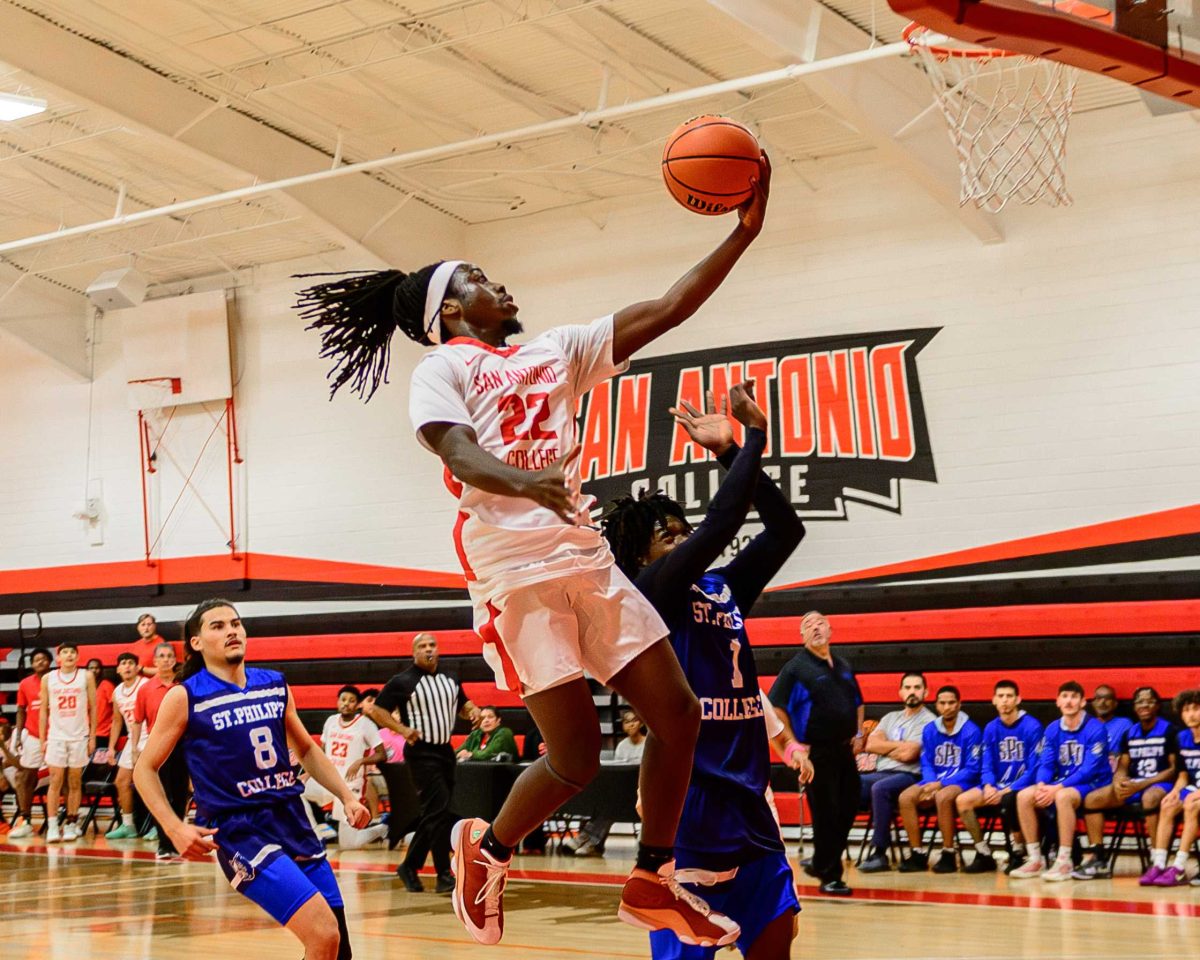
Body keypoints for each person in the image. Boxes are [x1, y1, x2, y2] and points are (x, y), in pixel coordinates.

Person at [301, 152, 769, 947]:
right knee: (575, 757)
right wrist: (525, 481)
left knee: (679, 716)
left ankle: (653, 879)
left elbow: (668, 306)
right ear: (451, 310)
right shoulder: (444, 366)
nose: (500, 283)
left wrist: (741, 234)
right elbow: (456, 453)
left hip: (585, 559)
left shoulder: (556, 351)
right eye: (480, 276)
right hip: (514, 574)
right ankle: (487, 851)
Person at [601, 382, 804, 956]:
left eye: (682, 530)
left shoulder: (720, 588)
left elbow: (786, 530)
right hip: (690, 817)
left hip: (751, 810)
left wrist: (727, 452)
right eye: (669, 536)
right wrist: (752, 438)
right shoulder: (650, 592)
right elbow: (722, 524)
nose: (686, 541)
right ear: (641, 556)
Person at [134, 599, 368, 960]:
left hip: (292, 819)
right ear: (196, 642)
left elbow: (306, 748)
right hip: (241, 830)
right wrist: (174, 827)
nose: (231, 630)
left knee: (338, 949)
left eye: (236, 623)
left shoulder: (273, 685)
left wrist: (347, 797)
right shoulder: (186, 696)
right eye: (218, 626)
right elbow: (143, 768)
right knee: (323, 933)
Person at [364, 633, 479, 895]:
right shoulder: (403, 681)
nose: (428, 649)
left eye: (432, 645)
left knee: (437, 813)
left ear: (438, 650)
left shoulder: (450, 678)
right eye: (422, 646)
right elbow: (377, 710)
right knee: (437, 810)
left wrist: (473, 711)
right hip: (421, 753)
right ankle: (443, 874)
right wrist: (402, 730)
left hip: (446, 751)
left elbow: (463, 705)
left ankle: (410, 866)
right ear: (413, 652)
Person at [769, 611, 863, 895]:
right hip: (816, 753)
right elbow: (776, 708)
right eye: (807, 625)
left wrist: (858, 732)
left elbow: (857, 702)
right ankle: (830, 876)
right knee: (826, 812)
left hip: (844, 750)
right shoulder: (796, 668)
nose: (815, 627)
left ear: (830, 629)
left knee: (849, 806)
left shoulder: (844, 665)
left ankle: (821, 861)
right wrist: (794, 746)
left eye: (819, 622)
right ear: (802, 637)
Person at [1074, 686, 1177, 880]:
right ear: (1135, 707)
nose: (1144, 705)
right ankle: (1099, 858)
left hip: (1161, 784)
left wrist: (1142, 784)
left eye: (1149, 701)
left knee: (1150, 797)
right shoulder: (1130, 733)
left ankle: (1157, 860)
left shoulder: (1169, 730)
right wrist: (1119, 780)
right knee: (1092, 799)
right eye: (1139, 701)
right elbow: (1123, 765)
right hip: (1135, 785)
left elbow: (1173, 770)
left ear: (1157, 706)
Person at [1009, 681, 1109, 881]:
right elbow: (1045, 763)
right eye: (1064, 696)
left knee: (1063, 797)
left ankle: (1064, 860)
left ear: (1082, 702)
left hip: (1095, 781)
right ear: (1057, 701)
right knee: (1024, 796)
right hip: (1062, 782)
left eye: (1073, 697)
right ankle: (1035, 859)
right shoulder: (1053, 729)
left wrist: (1057, 788)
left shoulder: (1095, 728)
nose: (1069, 701)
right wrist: (1042, 785)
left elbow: (1089, 769)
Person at [955, 679, 1044, 873]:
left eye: (1009, 696)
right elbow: (986, 763)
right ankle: (984, 852)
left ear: (1018, 699)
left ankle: (1019, 851)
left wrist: (1007, 789)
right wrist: (988, 785)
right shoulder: (990, 728)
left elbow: (1034, 768)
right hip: (997, 785)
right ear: (994, 700)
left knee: (1008, 800)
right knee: (963, 801)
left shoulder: (1032, 726)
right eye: (1001, 696)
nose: (1005, 701)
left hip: (1020, 786)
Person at [896, 685, 982, 873]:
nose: (947, 707)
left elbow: (973, 768)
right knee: (905, 797)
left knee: (942, 797)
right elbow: (926, 762)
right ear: (936, 705)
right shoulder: (930, 729)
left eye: (951, 702)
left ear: (959, 705)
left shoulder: (971, 730)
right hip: (934, 779)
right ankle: (917, 853)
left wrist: (940, 784)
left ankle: (948, 853)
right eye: (942, 703)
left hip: (963, 782)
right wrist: (930, 783)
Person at [858, 672, 936, 873]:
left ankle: (880, 853)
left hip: (912, 776)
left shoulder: (929, 721)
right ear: (900, 692)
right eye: (908, 688)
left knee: (880, 788)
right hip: (882, 772)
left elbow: (910, 754)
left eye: (917, 688)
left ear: (925, 692)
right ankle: (830, 848)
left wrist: (885, 745)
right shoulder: (890, 717)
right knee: (846, 783)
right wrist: (897, 747)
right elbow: (870, 744)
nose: (912, 692)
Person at [305, 685, 389, 850]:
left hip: (350, 786)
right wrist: (307, 775)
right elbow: (321, 751)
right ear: (338, 702)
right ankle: (316, 835)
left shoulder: (365, 724)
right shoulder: (331, 721)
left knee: (348, 844)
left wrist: (360, 762)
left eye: (351, 701)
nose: (346, 704)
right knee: (297, 790)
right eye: (343, 700)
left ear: (357, 705)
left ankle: (382, 829)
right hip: (328, 780)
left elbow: (382, 754)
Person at [563, 707, 649, 857]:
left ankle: (587, 840)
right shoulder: (622, 746)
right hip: (623, 794)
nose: (630, 725)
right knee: (609, 804)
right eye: (626, 722)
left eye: (634, 721)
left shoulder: (648, 744)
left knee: (612, 805)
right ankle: (590, 842)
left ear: (641, 724)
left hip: (643, 795)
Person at [1139, 688, 1200, 886]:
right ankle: (1158, 863)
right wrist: (1174, 791)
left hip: (1197, 793)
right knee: (1168, 804)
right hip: (1193, 788)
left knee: (1191, 805)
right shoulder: (1182, 738)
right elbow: (1183, 775)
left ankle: (1180, 867)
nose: (1190, 714)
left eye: (1196, 709)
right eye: (1186, 710)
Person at [131, 642, 187, 859]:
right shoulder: (145, 689)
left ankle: (178, 841)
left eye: (169, 656)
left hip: (183, 745)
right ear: (154, 662)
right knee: (161, 795)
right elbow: (137, 721)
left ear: (175, 660)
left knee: (181, 794)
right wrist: (136, 749)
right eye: (161, 656)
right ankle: (164, 844)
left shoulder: (183, 686)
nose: (165, 659)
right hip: (157, 747)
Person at [40, 641, 97, 843]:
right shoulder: (48, 678)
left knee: (74, 781)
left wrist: (92, 736)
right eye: (65, 652)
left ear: (78, 656)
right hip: (56, 736)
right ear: (59, 658)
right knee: (55, 781)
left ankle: (72, 823)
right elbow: (43, 710)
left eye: (73, 652)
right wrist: (42, 738)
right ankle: (53, 825)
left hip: (79, 736)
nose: (69, 655)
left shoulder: (86, 676)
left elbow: (93, 707)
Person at [8, 646, 51, 839]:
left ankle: (67, 821)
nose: (39, 662)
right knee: (25, 777)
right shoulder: (25, 683)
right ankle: (25, 819)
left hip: (56, 735)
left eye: (43, 659)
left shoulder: (57, 680)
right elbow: (20, 710)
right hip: (33, 735)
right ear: (32, 664)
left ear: (49, 662)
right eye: (36, 660)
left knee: (64, 777)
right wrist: (18, 736)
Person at [105, 652, 149, 839]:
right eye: (123, 663)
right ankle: (128, 824)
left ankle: (158, 825)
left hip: (151, 736)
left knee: (151, 782)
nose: (127, 666)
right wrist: (111, 747)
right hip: (133, 738)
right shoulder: (117, 691)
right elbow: (116, 721)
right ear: (118, 669)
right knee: (121, 781)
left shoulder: (145, 685)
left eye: (131, 662)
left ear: (138, 667)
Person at [1092, 684, 1134, 770]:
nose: (1102, 702)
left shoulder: (1125, 724)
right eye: (1099, 698)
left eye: (1107, 699)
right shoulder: (1087, 725)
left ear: (1115, 704)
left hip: (1117, 771)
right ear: (1093, 703)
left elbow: (1132, 753)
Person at [87, 658, 115, 750]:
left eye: (97, 668)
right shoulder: (84, 687)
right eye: (91, 668)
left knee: (99, 762)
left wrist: (112, 725)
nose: (94, 670)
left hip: (104, 733)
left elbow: (116, 707)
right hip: (87, 733)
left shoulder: (106, 685)